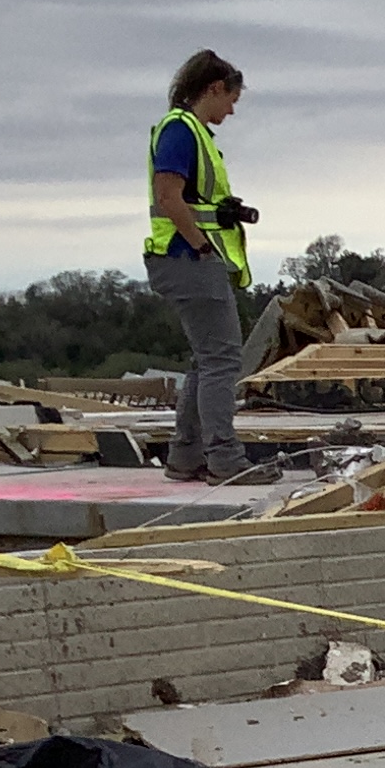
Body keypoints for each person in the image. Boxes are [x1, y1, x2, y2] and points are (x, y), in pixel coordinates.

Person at [145, 50, 257, 484]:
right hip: (188, 258)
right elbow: (169, 196)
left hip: (185, 257)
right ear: (213, 88)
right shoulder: (180, 130)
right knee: (223, 361)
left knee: (206, 361)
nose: (231, 110)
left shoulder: (193, 133)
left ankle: (186, 456)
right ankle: (224, 461)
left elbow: (189, 198)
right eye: (230, 99)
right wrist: (202, 246)